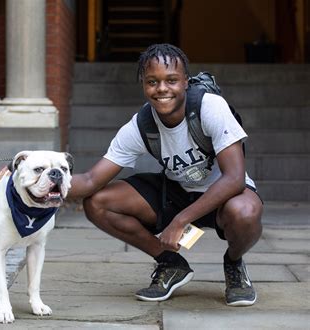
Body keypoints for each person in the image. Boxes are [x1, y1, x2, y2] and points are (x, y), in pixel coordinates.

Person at [68, 43, 263, 306]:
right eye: (152, 82)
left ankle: (234, 264)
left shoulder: (210, 107)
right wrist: (29, 180)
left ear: (185, 82)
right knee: (97, 202)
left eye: (171, 80)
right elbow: (91, 180)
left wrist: (180, 222)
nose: (161, 89)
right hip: (177, 193)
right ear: (143, 85)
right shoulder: (141, 124)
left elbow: (234, 178)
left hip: (223, 195)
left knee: (245, 213)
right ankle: (171, 264)